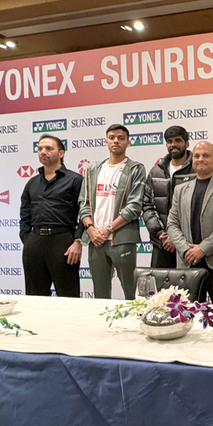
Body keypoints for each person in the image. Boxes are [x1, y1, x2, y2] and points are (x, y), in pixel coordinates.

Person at [167, 142, 213, 306]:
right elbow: (172, 223)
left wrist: (202, 249)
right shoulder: (180, 189)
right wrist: (186, 249)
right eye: (197, 156)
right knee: (188, 313)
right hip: (188, 262)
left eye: (206, 155)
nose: (201, 159)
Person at [79, 124, 146, 299]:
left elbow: (134, 206)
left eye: (121, 138)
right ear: (106, 141)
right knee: (100, 294)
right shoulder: (92, 169)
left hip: (121, 238)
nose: (116, 141)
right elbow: (84, 203)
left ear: (128, 143)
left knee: (131, 292)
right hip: (95, 240)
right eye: (112, 137)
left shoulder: (135, 168)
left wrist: (108, 229)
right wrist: (91, 229)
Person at [19, 135, 83, 297]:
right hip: (34, 243)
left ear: (61, 153)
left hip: (63, 243)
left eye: (48, 148)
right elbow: (25, 214)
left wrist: (78, 241)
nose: (43, 152)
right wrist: (27, 238)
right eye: (40, 148)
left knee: (68, 296)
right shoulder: (32, 183)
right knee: (35, 296)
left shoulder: (75, 180)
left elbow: (85, 212)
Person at [143, 125, 195, 268]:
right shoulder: (156, 172)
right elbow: (147, 205)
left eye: (178, 140)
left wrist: (177, 239)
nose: (173, 145)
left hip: (189, 245)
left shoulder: (197, 170)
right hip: (162, 244)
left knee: (190, 284)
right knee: (159, 283)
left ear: (187, 143)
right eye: (169, 141)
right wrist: (161, 234)